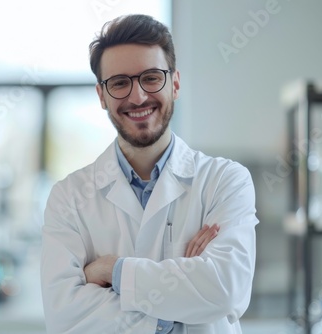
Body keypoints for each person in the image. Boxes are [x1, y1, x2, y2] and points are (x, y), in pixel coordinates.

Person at [41, 14, 259, 334]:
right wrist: (180, 301)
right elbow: (63, 317)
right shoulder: (68, 197)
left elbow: (226, 290)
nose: (138, 97)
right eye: (119, 83)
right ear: (101, 96)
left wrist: (115, 273)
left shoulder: (226, 181)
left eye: (152, 77)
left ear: (175, 83)